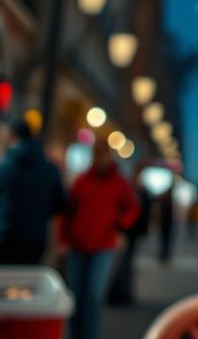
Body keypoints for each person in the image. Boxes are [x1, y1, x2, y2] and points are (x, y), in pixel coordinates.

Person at [61, 137, 139, 339]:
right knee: (76, 295)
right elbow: (68, 212)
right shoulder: (82, 180)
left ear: (109, 155)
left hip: (104, 245)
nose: (99, 158)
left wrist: (119, 227)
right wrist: (63, 239)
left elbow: (132, 209)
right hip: (78, 244)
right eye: (96, 153)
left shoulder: (119, 182)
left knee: (94, 296)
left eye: (102, 153)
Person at [0, 118, 66, 265]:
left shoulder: (1, 167)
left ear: (13, 137)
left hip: (1, 242)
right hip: (34, 245)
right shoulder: (51, 170)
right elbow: (60, 206)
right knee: (23, 285)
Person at [106, 177, 151, 306]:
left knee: (123, 265)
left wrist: (122, 227)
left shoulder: (126, 189)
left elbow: (134, 211)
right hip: (125, 233)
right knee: (124, 264)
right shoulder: (132, 190)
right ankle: (120, 294)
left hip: (125, 234)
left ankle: (121, 294)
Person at [157, 183, 175, 263]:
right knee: (165, 240)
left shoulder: (165, 200)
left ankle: (164, 255)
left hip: (166, 223)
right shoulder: (167, 200)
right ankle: (164, 255)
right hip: (166, 223)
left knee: (165, 240)